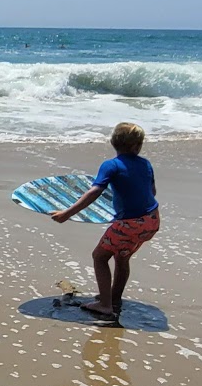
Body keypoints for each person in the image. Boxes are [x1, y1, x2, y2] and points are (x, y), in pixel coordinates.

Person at [50, 122, 159, 320]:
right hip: (151, 220)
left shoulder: (111, 165)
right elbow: (151, 192)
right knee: (122, 257)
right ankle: (114, 298)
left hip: (129, 223)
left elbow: (95, 191)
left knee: (100, 257)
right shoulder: (146, 164)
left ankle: (105, 305)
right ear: (138, 146)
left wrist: (67, 213)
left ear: (113, 142)